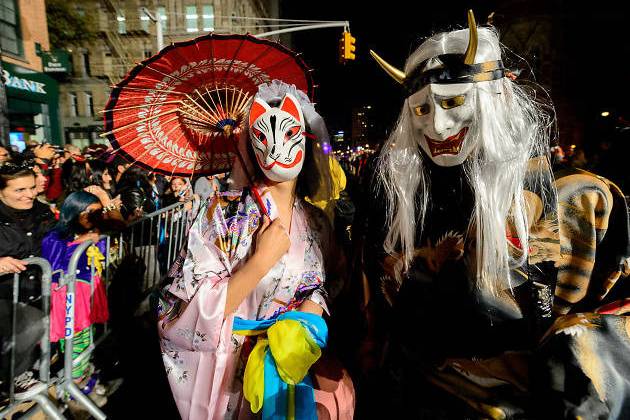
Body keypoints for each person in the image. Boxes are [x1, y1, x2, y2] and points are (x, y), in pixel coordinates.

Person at [365, 10, 630, 418]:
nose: (438, 125)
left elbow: (610, 326)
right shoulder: (397, 199)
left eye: (453, 102)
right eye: (421, 110)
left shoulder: (579, 197)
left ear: (496, 100)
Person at [157, 80, 353, 419]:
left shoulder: (317, 221)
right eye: (263, 136)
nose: (276, 148)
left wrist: (313, 306)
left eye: (289, 132)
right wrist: (260, 262)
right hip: (234, 372)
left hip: (295, 360)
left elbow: (330, 278)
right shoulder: (222, 214)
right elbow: (179, 306)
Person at [41, 191, 110, 406]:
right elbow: (53, 269)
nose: (97, 217)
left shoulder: (94, 231)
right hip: (68, 299)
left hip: (88, 293)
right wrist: (79, 244)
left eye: (100, 213)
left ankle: (79, 378)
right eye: (92, 213)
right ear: (75, 212)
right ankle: (72, 386)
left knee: (86, 339)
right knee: (75, 341)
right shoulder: (55, 236)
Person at [0, 162, 56, 397]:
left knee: (34, 329)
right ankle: (12, 378)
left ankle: (15, 375)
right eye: (19, 190)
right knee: (31, 326)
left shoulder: (41, 210)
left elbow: (59, 238)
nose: (30, 194)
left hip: (34, 288)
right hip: (4, 294)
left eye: (32, 187)